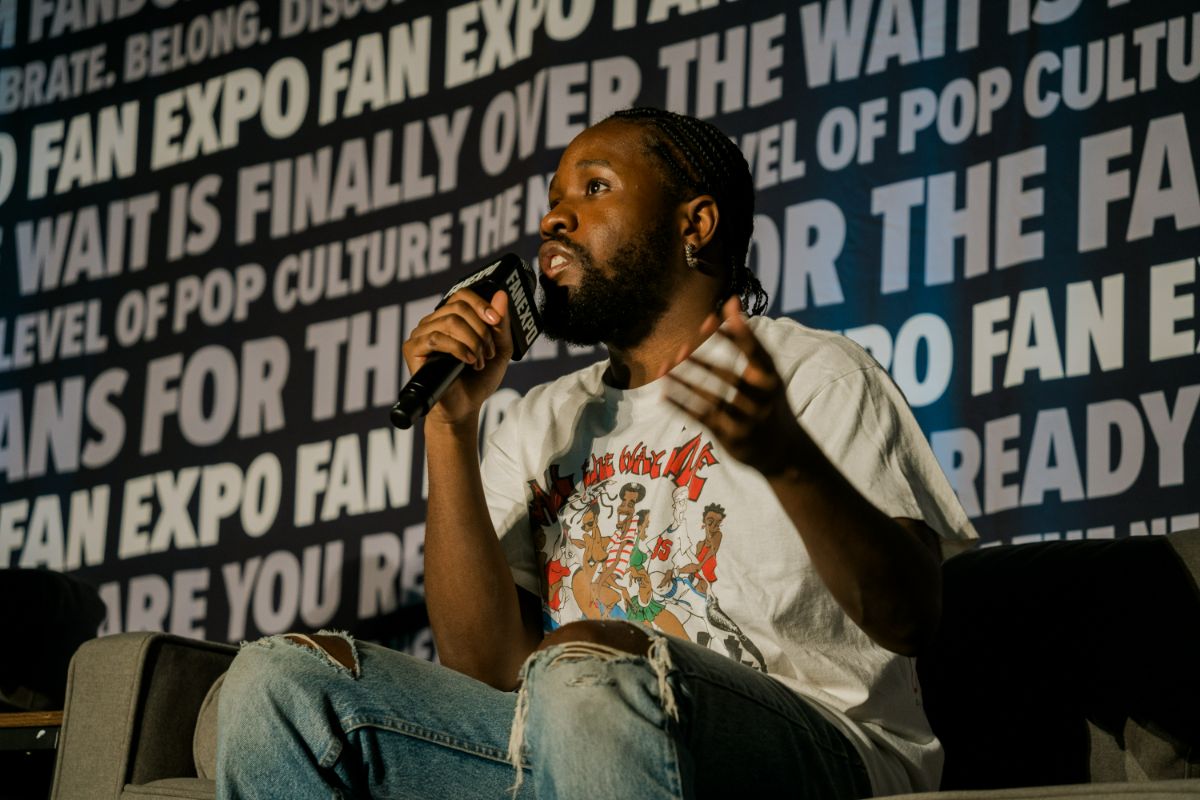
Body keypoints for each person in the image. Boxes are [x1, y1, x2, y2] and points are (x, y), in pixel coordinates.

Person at [216, 107, 977, 799]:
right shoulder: (545, 418)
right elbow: (484, 671)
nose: (554, 218)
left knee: (586, 662)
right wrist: (451, 428)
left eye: (594, 188)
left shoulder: (816, 375)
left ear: (697, 223)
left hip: (816, 753)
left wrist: (787, 459)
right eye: (553, 197)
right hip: (571, 743)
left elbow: (910, 619)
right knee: (279, 683)